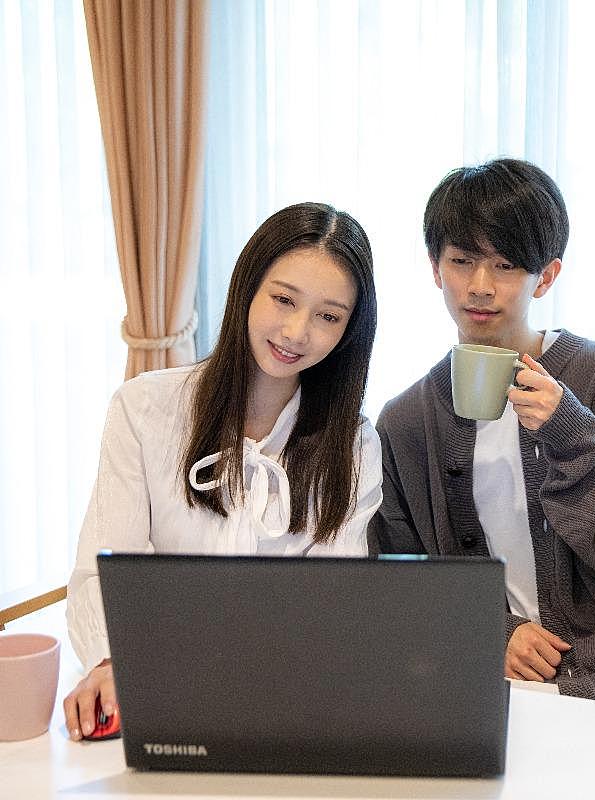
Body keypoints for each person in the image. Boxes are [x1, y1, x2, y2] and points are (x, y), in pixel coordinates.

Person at [368, 159, 595, 711]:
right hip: (474, 674)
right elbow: (403, 581)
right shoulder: (406, 421)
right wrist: (495, 630)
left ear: (546, 276)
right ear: (435, 268)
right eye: (461, 261)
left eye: (505, 265)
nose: (480, 287)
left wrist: (571, 432)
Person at [64, 202, 382, 740]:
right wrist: (110, 662)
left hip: (286, 704)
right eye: (283, 299)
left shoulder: (353, 443)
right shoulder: (144, 410)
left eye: (328, 316)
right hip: (158, 693)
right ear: (247, 288)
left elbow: (333, 605)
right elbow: (104, 568)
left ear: (350, 330)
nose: (296, 332)